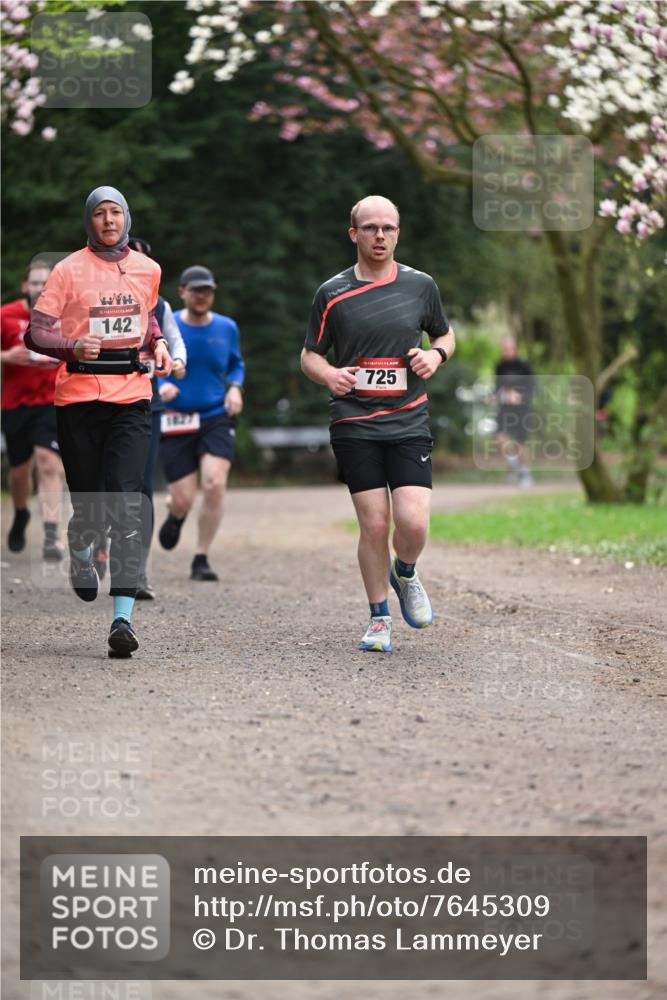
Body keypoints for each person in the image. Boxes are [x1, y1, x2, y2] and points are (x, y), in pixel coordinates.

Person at [301, 195, 455, 654]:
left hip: (409, 420)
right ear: (354, 234)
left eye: (388, 228)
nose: (380, 236)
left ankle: (404, 571)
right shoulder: (332, 294)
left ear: (398, 233)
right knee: (373, 524)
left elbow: (445, 333)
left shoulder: (420, 286)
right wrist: (329, 374)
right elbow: (310, 354)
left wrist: (435, 354)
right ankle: (379, 619)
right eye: (370, 228)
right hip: (354, 422)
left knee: (413, 522)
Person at [25, 186, 172, 658]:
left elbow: (145, 316)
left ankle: (123, 619)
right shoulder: (68, 270)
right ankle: (80, 545)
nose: (109, 221)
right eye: (100, 214)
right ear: (89, 221)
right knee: (90, 503)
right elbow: (36, 331)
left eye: (116, 213)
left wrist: (160, 343)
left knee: (127, 503)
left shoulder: (149, 269)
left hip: (131, 396)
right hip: (78, 398)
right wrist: (71, 348)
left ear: (127, 219)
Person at [157, 265, 244, 582]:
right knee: (183, 497)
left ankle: (201, 557)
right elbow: (150, 362)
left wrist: (235, 387)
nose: (202, 296)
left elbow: (236, 364)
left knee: (215, 483)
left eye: (207, 290)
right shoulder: (168, 325)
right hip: (175, 417)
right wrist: (159, 387)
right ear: (183, 292)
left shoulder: (226, 327)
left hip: (214, 416)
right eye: (195, 290)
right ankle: (176, 513)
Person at [1, 259, 65, 560]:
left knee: (48, 462)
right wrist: (5, 356)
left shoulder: (64, 316)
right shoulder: (7, 316)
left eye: (46, 282)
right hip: (15, 404)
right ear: (26, 286)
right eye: (36, 282)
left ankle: (52, 535)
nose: (41, 287)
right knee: (19, 471)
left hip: (52, 403)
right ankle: (21, 512)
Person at [494, 336, 535, 488]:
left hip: (522, 409)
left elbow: (532, 387)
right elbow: (498, 386)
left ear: (515, 349)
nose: (507, 352)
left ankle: (525, 473)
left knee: (521, 442)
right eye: (504, 349)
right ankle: (514, 463)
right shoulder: (500, 366)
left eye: (510, 349)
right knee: (500, 437)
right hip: (505, 408)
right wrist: (496, 396)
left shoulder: (524, 366)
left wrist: (520, 396)